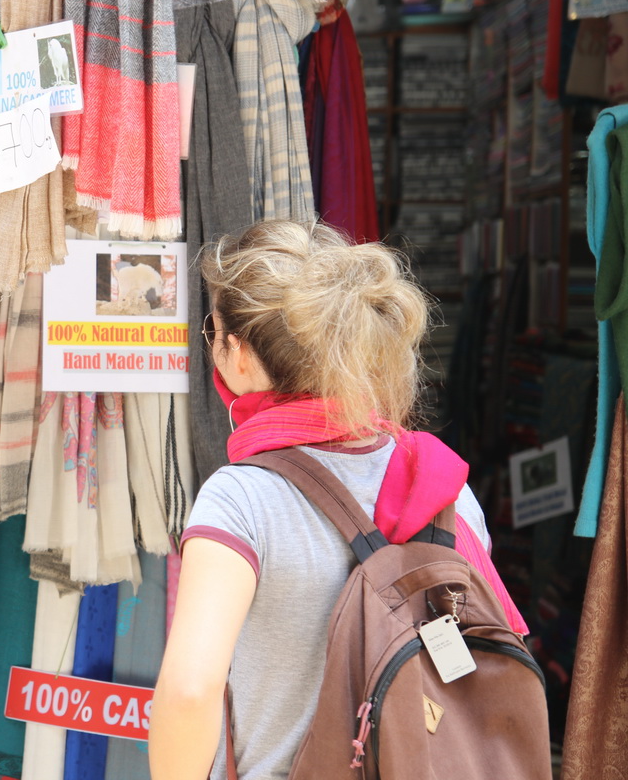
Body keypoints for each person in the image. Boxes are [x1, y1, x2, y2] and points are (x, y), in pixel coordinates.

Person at [148, 221, 521, 780]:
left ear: (241, 354)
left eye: (213, 329)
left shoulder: (241, 498)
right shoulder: (447, 490)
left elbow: (189, 690)